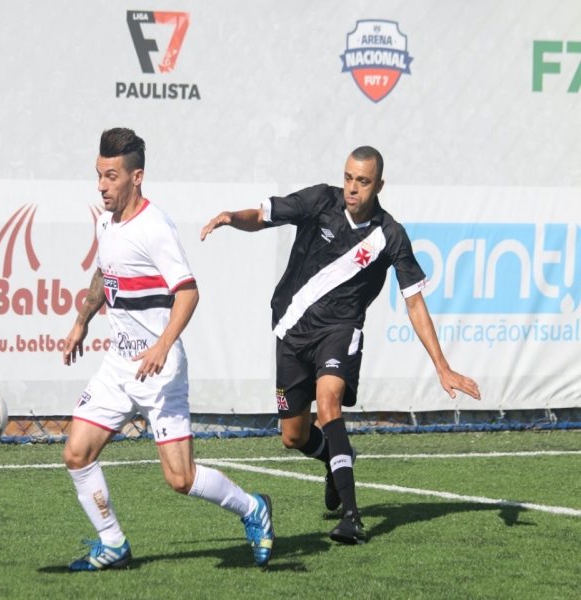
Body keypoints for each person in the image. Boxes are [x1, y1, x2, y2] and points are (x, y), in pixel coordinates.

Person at [200, 146, 481, 545]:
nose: (352, 188)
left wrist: (442, 365)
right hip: (292, 329)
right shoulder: (320, 200)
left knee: (328, 400)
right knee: (293, 436)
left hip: (340, 330)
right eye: (348, 177)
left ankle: (352, 518)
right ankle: (334, 460)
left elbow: (415, 303)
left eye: (362, 181)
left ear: (378, 185)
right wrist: (231, 217)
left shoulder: (390, 235)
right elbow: (263, 215)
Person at [61, 127, 274, 571]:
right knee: (76, 453)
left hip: (160, 371)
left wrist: (162, 345)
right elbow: (104, 272)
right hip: (119, 365)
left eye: (111, 176)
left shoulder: (155, 227)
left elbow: (188, 292)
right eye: (99, 175)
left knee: (181, 478)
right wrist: (81, 322)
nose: (101, 186)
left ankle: (253, 508)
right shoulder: (105, 220)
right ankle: (113, 544)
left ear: (136, 177)